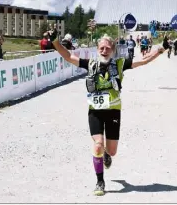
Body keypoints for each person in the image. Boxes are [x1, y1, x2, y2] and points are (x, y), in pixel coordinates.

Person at [47, 27, 168, 196]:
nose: (104, 51)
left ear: (113, 50)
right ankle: (100, 181)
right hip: (95, 112)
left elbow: (143, 61)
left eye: (107, 48)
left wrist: (160, 49)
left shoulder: (119, 64)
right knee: (97, 145)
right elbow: (68, 56)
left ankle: (106, 154)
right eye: (101, 48)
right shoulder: (90, 64)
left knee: (111, 151)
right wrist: (54, 41)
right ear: (97, 49)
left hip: (113, 112)